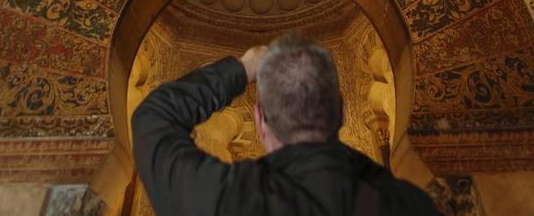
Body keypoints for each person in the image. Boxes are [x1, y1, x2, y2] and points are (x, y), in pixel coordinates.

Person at [132, 35, 439, 215]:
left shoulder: (228, 199)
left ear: (260, 120)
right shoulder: (408, 205)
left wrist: (244, 67)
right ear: (343, 113)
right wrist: (329, 148)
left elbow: (153, 117)